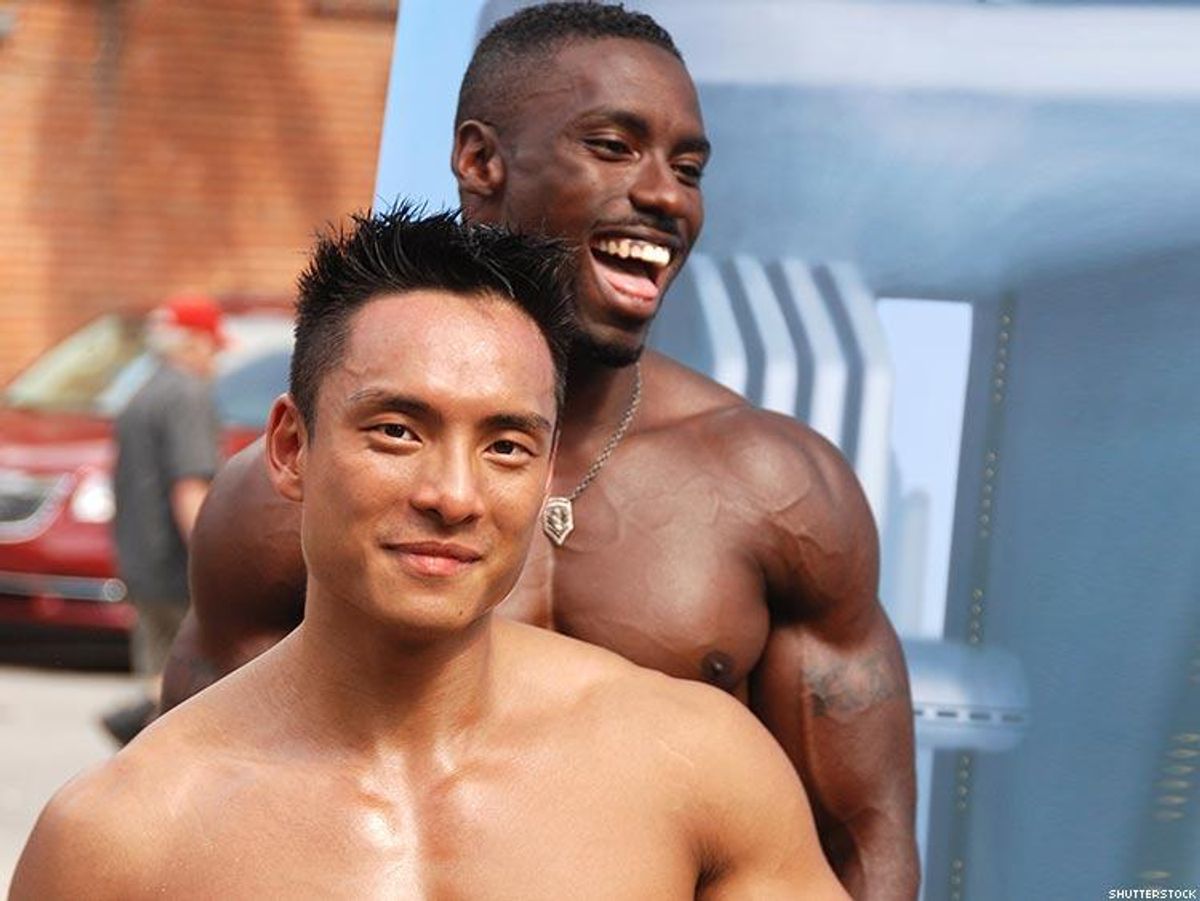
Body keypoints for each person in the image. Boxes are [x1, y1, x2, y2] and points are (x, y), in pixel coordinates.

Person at [163, 5, 919, 897]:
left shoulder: (775, 488)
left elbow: (865, 845)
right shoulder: (288, 499)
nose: (666, 196)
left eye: (688, 169)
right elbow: (190, 806)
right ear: (482, 161)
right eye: (613, 147)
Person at [11, 209, 848, 900]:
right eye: (398, 431)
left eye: (506, 446)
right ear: (291, 448)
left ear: (546, 470)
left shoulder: (694, 764)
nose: (453, 494)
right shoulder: (123, 835)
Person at [103, 294, 224, 743]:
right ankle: (146, 743)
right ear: (194, 343)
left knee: (158, 670)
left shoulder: (141, 391)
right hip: (178, 568)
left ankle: (140, 743)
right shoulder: (187, 395)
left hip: (141, 561)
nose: (215, 360)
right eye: (213, 347)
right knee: (188, 684)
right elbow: (190, 487)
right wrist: (214, 556)